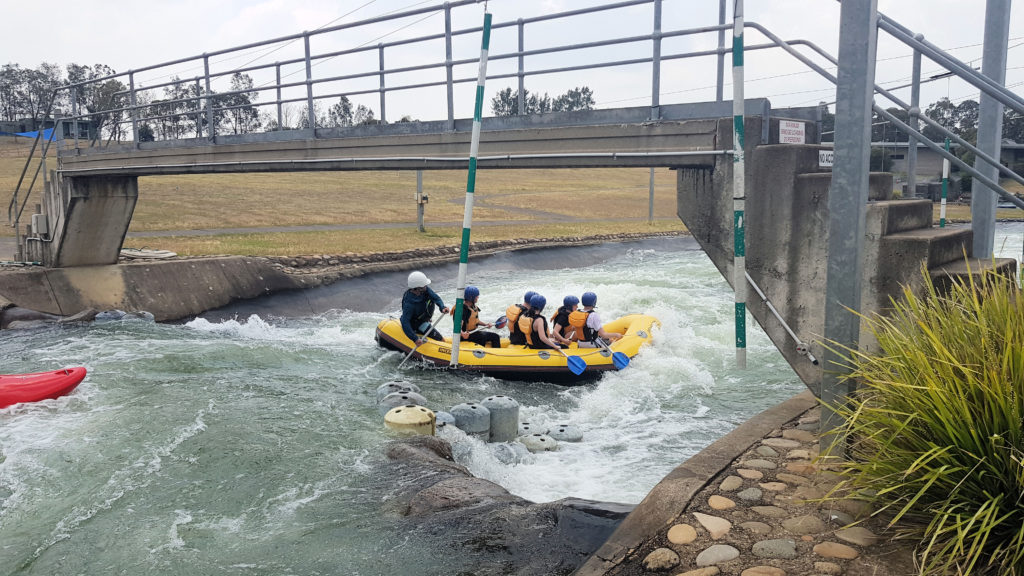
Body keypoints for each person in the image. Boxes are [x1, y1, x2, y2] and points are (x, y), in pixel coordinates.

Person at [400, 270, 449, 346]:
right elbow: (405, 322)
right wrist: (415, 338)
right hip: (416, 323)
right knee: (440, 340)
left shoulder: (424, 290)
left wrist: (442, 307)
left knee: (440, 339)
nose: (426, 287)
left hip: (423, 320)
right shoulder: (409, 304)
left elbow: (436, 298)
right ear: (417, 289)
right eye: (424, 286)